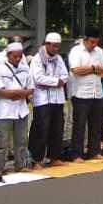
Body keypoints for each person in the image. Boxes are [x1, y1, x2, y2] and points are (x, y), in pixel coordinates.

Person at [67, 28, 103, 161]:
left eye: (96, 42)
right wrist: (93, 68)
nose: (94, 45)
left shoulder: (98, 51)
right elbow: (76, 70)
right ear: (85, 40)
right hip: (80, 93)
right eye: (91, 42)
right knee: (79, 125)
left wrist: (92, 69)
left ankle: (94, 152)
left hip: (97, 92)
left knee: (96, 124)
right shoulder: (76, 51)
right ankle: (77, 154)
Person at [0, 43, 33, 173]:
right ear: (8, 55)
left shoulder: (25, 70)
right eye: (15, 56)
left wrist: (18, 94)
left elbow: (31, 88)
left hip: (21, 110)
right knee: (1, 142)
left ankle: (20, 165)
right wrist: (18, 93)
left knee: (21, 140)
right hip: (4, 111)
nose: (17, 59)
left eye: (20, 56)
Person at [28, 33, 68, 168]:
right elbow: (38, 78)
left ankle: (54, 157)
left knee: (57, 128)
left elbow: (65, 76)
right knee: (41, 129)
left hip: (57, 99)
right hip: (43, 99)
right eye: (54, 46)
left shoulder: (59, 59)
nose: (56, 49)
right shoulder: (37, 59)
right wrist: (56, 81)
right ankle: (36, 160)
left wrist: (55, 82)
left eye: (58, 46)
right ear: (47, 44)